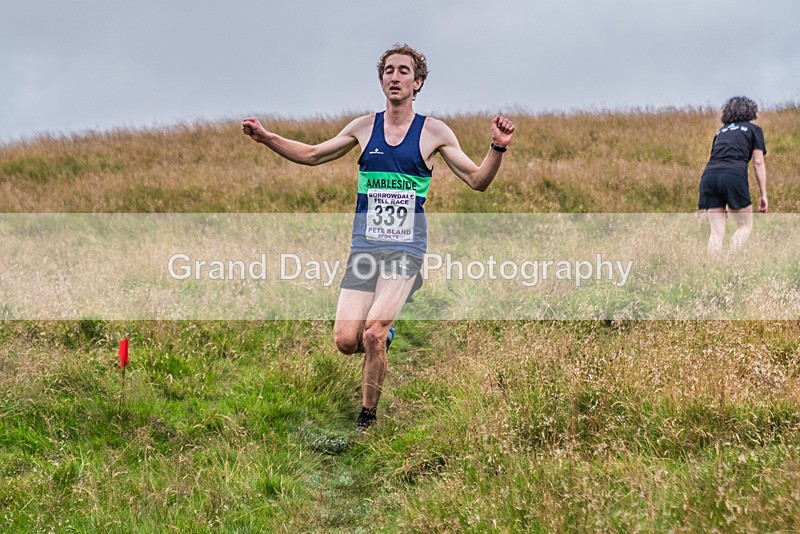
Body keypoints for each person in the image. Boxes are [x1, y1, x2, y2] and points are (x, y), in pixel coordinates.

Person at [242, 43, 515, 432]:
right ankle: (383, 342)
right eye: (389, 70)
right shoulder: (363, 127)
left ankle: (367, 419)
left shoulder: (434, 131)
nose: (395, 76)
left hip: (406, 250)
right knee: (345, 340)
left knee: (372, 333)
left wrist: (496, 149)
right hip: (365, 249)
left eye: (404, 71)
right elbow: (315, 154)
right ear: (381, 79)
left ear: (417, 83)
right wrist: (267, 138)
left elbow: (477, 181)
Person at [698, 96, 767, 254]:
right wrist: (763, 195)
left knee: (716, 232)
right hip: (733, 175)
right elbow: (758, 162)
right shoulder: (754, 130)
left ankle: (711, 272)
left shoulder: (721, 131)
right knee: (744, 226)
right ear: (751, 111)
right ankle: (729, 264)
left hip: (709, 176)